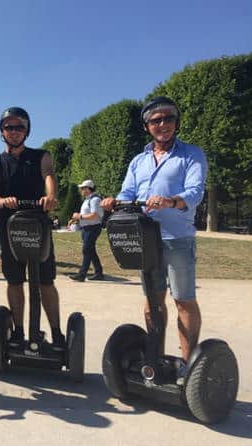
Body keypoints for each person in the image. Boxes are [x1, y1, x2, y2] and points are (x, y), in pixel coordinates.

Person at [101, 96, 208, 384]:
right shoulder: (139, 160)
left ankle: (187, 367)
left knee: (183, 300)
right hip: (144, 237)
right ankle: (154, 358)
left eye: (168, 118)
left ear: (176, 122)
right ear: (147, 126)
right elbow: (128, 193)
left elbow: (196, 192)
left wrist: (172, 201)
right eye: (156, 120)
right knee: (152, 300)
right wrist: (115, 202)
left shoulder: (191, 154)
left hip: (177, 238)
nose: (163, 124)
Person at [0, 106, 65, 350]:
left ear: (27, 130)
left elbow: (49, 176)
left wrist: (50, 196)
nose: (14, 131)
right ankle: (19, 330)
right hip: (9, 229)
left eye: (19, 127)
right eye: (9, 127)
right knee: (15, 281)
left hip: (37, 227)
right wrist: (1, 201)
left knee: (46, 281)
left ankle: (56, 332)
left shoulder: (41, 156)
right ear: (2, 132)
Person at [70, 179, 105, 281]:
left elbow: (95, 215)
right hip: (86, 228)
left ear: (88, 189)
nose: (81, 190)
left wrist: (79, 216)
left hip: (92, 228)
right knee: (91, 251)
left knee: (86, 250)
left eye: (83, 188)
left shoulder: (95, 200)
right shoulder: (87, 200)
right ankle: (99, 273)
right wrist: (77, 219)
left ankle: (82, 274)